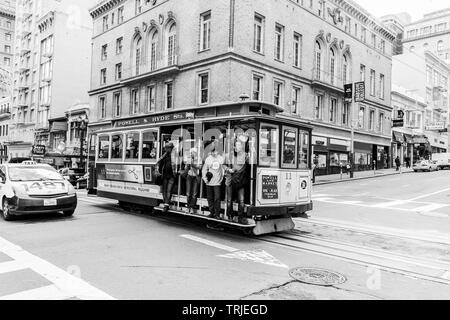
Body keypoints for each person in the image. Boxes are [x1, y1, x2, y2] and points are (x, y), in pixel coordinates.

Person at [225, 138, 250, 224]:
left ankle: (241, 217)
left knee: (241, 200)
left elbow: (251, 162)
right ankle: (230, 216)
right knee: (229, 200)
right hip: (231, 179)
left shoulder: (245, 155)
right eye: (237, 145)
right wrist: (229, 169)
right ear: (234, 146)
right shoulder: (230, 155)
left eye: (240, 145)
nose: (238, 147)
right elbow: (223, 165)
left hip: (240, 180)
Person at [202, 140, 225, 219]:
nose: (213, 153)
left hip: (217, 183)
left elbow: (222, 170)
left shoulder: (220, 158)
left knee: (217, 198)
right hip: (209, 182)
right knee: (210, 198)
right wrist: (205, 179)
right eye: (212, 152)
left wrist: (221, 180)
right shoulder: (208, 159)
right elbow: (204, 170)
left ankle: (217, 214)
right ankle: (212, 212)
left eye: (214, 152)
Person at [157, 143, 177, 213]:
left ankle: (166, 205)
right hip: (165, 175)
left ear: (171, 148)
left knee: (169, 190)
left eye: (168, 148)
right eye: (166, 148)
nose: (166, 149)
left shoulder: (174, 155)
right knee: (164, 190)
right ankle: (166, 202)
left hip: (171, 175)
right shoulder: (164, 155)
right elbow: (159, 162)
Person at [184, 147, 202, 214]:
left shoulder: (199, 159)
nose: (192, 154)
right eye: (191, 153)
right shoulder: (189, 159)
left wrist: (193, 164)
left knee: (194, 194)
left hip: (195, 177)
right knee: (188, 193)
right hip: (189, 176)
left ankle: (192, 207)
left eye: (193, 152)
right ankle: (188, 207)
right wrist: (187, 165)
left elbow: (200, 167)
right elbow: (186, 168)